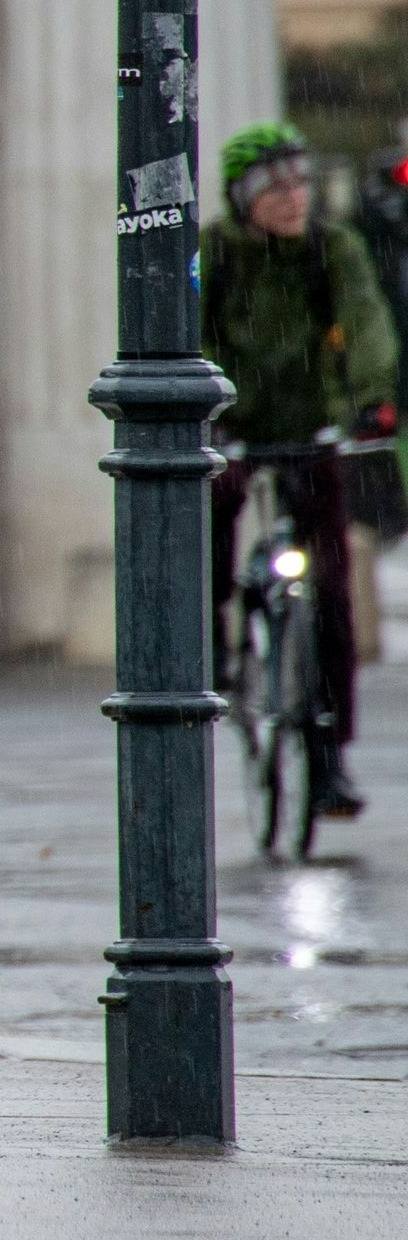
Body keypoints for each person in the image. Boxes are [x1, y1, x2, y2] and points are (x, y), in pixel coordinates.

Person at [203, 120, 397, 820]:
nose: (291, 199)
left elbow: (367, 319)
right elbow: (191, 332)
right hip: (235, 426)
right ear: (241, 197)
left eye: (299, 183)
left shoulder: (331, 249)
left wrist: (374, 399)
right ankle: (214, 639)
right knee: (210, 510)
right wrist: (207, 412)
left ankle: (328, 762)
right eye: (272, 187)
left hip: (312, 426)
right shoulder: (216, 255)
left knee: (333, 589)